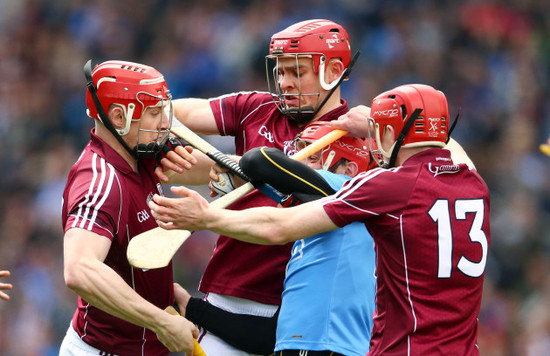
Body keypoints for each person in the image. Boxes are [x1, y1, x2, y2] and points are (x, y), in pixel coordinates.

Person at [149, 84, 491, 355]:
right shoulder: (474, 185)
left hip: (401, 348)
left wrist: (207, 218)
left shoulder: (383, 187)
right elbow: (451, 152)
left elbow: (277, 222)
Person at [157, 19, 359, 355]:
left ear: (333, 70)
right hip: (226, 290)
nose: (285, 83)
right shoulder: (258, 107)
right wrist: (147, 103)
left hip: (294, 311)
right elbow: (185, 113)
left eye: (297, 72)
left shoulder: (353, 144)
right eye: (280, 72)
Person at [172, 121, 377, 356]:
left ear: (349, 171)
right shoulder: (313, 242)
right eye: (298, 153)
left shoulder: (345, 189)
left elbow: (258, 160)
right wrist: (191, 306)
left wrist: (233, 173)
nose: (300, 163)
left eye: (312, 157)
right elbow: (266, 335)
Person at [59, 60, 198, 355]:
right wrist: (161, 321)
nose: (165, 123)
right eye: (153, 112)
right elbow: (79, 268)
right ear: (119, 117)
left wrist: (165, 292)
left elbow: (122, 261)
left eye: (164, 110)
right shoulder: (100, 180)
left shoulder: (140, 158)